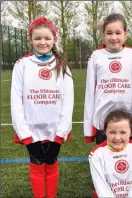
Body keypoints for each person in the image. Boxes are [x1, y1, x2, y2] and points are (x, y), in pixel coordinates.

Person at [10, 16, 74, 198]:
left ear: (54, 39)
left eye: (47, 38)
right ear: (30, 39)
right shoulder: (22, 65)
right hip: (31, 130)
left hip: (55, 131)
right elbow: (16, 101)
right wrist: (24, 134)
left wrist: (61, 133)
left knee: (52, 164)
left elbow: (67, 101)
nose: (42, 42)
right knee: (37, 166)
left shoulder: (62, 65)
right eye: (37, 38)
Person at [83, 13, 132, 145]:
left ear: (125, 34)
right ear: (103, 34)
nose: (114, 37)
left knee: (129, 159)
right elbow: (90, 92)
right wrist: (88, 128)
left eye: (118, 33)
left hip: (128, 119)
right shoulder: (96, 56)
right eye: (109, 33)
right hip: (103, 121)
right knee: (105, 157)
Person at [89, 109, 132, 198]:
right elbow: (101, 186)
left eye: (123, 132)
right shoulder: (96, 154)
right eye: (112, 132)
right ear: (105, 132)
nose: (117, 137)